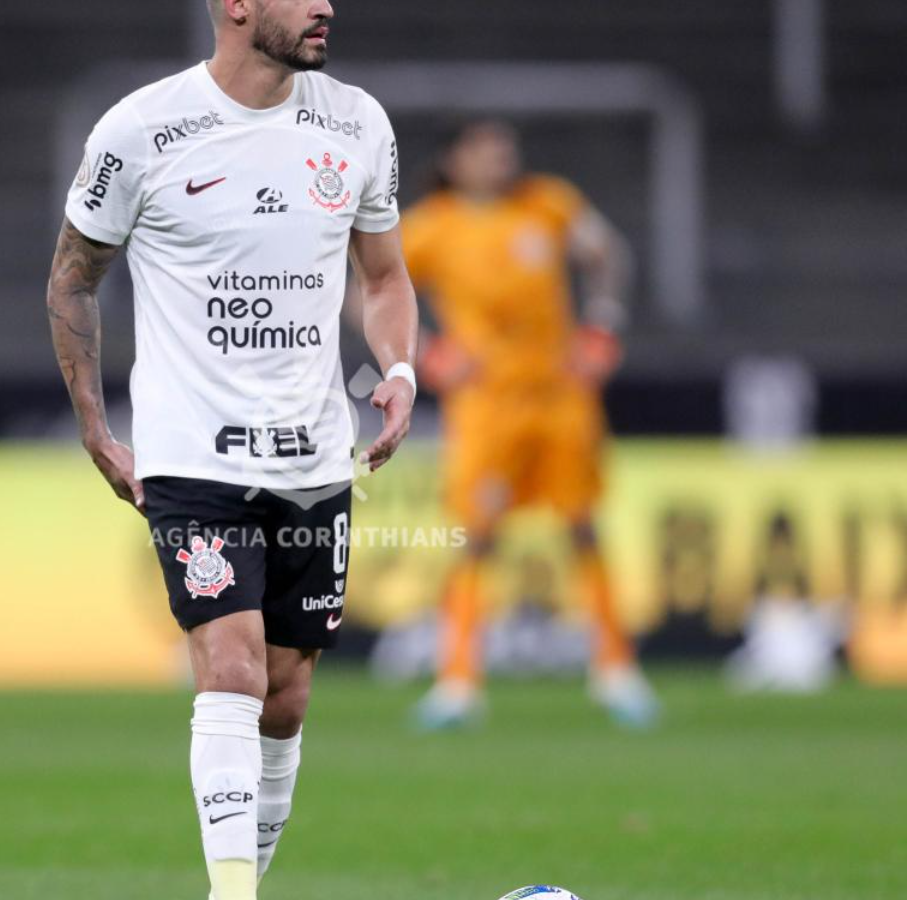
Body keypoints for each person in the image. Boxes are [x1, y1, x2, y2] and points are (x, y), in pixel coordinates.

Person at [46, 2, 418, 898]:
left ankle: (249, 876)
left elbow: (384, 274)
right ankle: (232, 895)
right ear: (237, 7)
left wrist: (399, 367)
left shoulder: (357, 123)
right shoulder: (142, 131)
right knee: (234, 667)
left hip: (314, 458)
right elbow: (71, 279)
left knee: (285, 694)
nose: (326, 6)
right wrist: (95, 425)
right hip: (192, 457)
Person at [400, 120, 658, 729]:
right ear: (453, 161)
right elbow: (365, 288)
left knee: (582, 526)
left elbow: (609, 255)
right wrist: (420, 352)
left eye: (506, 150)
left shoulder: (549, 202)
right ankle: (458, 681)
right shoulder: (430, 226)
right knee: (477, 534)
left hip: (561, 393)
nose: (500, 160)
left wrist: (601, 325)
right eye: (486, 151)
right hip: (488, 402)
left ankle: (616, 671)